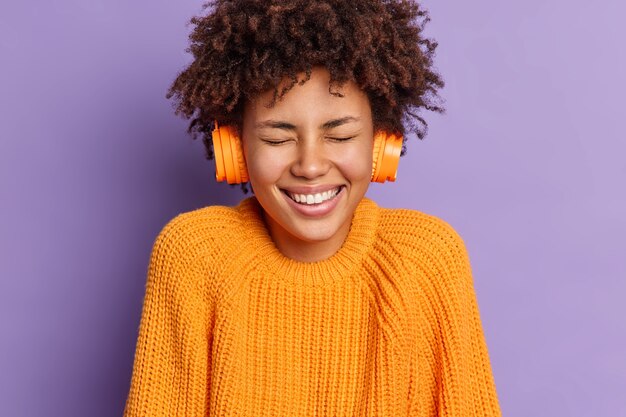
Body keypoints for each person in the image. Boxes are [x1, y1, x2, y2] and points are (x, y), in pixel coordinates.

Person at [123, 0, 502, 416]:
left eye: (339, 136)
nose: (310, 166)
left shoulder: (427, 259)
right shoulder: (195, 255)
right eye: (277, 138)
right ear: (234, 147)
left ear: (382, 144)